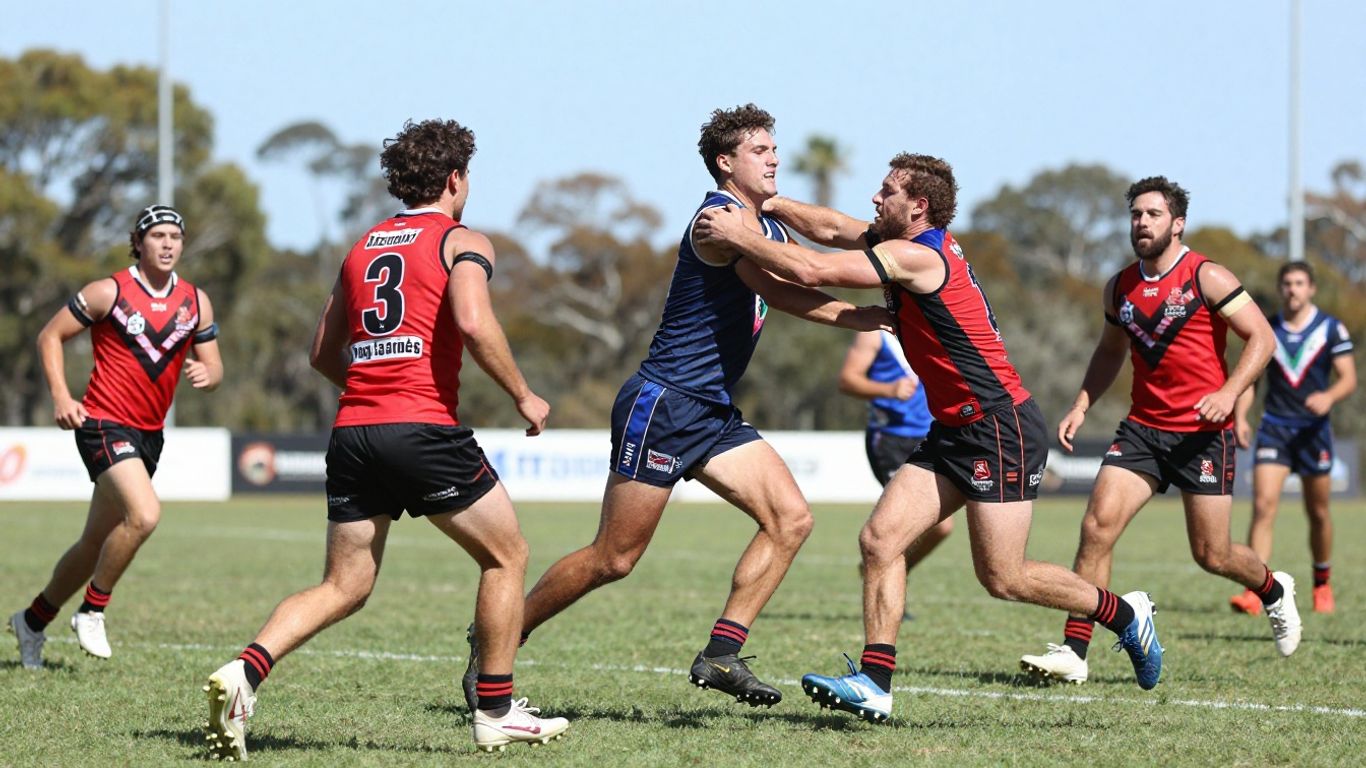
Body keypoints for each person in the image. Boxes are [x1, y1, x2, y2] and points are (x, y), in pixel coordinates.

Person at [694, 153, 1163, 726]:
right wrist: (764, 203)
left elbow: (813, 269)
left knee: (1003, 577)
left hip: (998, 426)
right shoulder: (899, 241)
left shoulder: (917, 256)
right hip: (953, 428)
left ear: (917, 206)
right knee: (879, 541)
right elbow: (830, 229)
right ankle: (875, 682)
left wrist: (737, 232)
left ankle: (1125, 614)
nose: (874, 199)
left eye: (886, 191)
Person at [462, 104, 890, 713]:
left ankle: (721, 652)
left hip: (710, 410)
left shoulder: (760, 224)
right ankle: (498, 638)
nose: (774, 158)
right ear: (726, 162)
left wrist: (876, 294)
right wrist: (877, 296)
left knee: (791, 519)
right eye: (760, 150)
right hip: (663, 403)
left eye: (775, 148)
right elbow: (803, 271)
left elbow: (790, 285)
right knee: (614, 558)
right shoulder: (718, 222)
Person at [202, 119, 567, 760]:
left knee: (345, 586)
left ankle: (245, 672)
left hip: (353, 432)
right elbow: (475, 324)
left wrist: (373, 385)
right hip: (421, 428)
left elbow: (321, 353)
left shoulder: (362, 246)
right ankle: (496, 709)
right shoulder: (461, 241)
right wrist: (523, 395)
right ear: (455, 179)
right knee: (506, 556)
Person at [1020, 177, 1300, 687]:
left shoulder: (1207, 276)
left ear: (1177, 223)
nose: (1142, 223)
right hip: (1143, 431)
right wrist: (1082, 402)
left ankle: (1273, 589)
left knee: (1212, 554)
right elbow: (1109, 352)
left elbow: (1262, 338)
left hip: (1202, 434)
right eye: (1135, 215)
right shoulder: (1119, 287)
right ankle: (1075, 651)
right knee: (1096, 527)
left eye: (1152, 214)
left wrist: (1231, 392)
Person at [7, 205, 222, 669]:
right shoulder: (108, 292)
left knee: (93, 545)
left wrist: (210, 372)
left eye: (176, 237)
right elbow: (49, 336)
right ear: (139, 242)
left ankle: (31, 621)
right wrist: (63, 397)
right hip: (103, 424)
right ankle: (93, 609)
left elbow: (216, 364)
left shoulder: (196, 301)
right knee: (145, 515)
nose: (168, 244)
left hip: (149, 436)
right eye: (158, 235)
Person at [1230, 261, 1355, 615]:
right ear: (1280, 287)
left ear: (1311, 288)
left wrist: (1329, 397)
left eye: (1300, 283)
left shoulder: (1331, 328)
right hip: (1275, 428)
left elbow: (1348, 378)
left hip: (1314, 432)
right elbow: (1249, 381)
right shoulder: (1266, 330)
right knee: (1263, 507)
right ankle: (1255, 590)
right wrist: (1240, 415)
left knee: (1317, 511)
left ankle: (1321, 583)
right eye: (1287, 283)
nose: (1293, 289)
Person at [839, 330, 952, 619]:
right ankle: (886, 589)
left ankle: (883, 573)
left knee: (941, 526)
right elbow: (847, 380)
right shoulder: (875, 334)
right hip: (889, 439)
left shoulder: (932, 329)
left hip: (930, 437)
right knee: (903, 524)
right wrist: (888, 390)